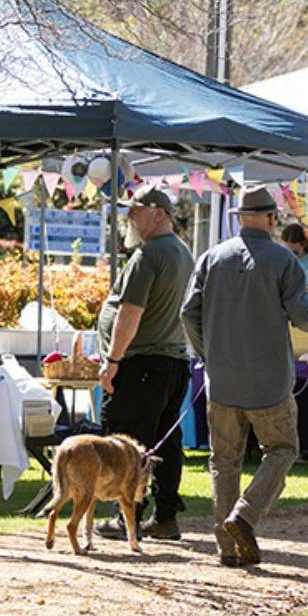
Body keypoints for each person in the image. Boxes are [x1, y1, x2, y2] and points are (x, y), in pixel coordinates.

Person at [180, 187, 308, 568]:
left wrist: (208, 353)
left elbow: (188, 313)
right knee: (282, 451)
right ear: (271, 218)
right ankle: (245, 515)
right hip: (269, 382)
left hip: (222, 380)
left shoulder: (212, 257)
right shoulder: (282, 260)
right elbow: (303, 316)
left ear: (238, 217)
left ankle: (226, 547)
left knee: (224, 461)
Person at [94, 187, 195, 541]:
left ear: (159, 213)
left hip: (141, 363)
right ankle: (165, 515)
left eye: (136, 210)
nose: (129, 216)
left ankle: (128, 517)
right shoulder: (183, 253)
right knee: (166, 443)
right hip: (171, 360)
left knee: (127, 443)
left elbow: (130, 313)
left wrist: (112, 360)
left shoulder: (148, 255)